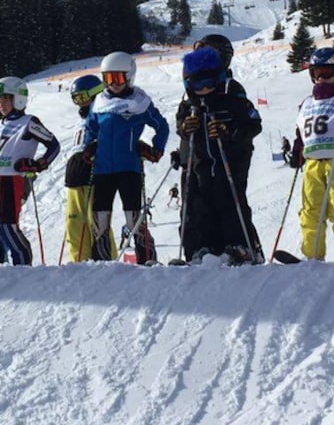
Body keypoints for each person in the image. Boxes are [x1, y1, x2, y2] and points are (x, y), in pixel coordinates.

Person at [176, 46, 263, 264]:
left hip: (229, 161)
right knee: (196, 206)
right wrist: (186, 128)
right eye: (198, 84)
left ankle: (241, 246)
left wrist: (230, 132)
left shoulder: (233, 99)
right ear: (188, 84)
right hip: (199, 163)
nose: (205, 89)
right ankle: (199, 249)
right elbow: (180, 128)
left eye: (210, 82)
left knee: (229, 201)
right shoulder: (188, 106)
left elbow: (253, 123)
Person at [82, 51, 169, 264]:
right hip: (103, 169)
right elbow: (90, 128)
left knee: (134, 219)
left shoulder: (139, 102)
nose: (114, 84)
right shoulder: (99, 102)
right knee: (100, 219)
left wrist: (156, 149)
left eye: (118, 78)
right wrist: (88, 147)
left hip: (129, 167)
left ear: (129, 76)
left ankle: (147, 259)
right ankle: (102, 261)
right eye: (108, 78)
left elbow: (162, 126)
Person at [289, 48, 334, 261]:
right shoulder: (307, 103)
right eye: (317, 74)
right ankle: (312, 255)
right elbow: (301, 130)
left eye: (327, 74)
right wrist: (297, 150)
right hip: (312, 164)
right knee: (311, 210)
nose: (321, 79)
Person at [0, 76, 60, 265]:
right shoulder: (1, 123)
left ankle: (23, 266)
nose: (1, 104)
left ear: (18, 99)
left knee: (7, 226)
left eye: (5, 99)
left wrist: (37, 164)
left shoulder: (29, 122)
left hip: (12, 180)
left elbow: (54, 145)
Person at [64, 74, 116, 262]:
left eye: (83, 98)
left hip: (94, 176)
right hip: (75, 178)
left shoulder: (105, 116)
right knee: (74, 224)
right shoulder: (82, 121)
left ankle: (107, 263)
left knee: (97, 225)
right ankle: (78, 264)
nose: (80, 104)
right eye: (76, 99)